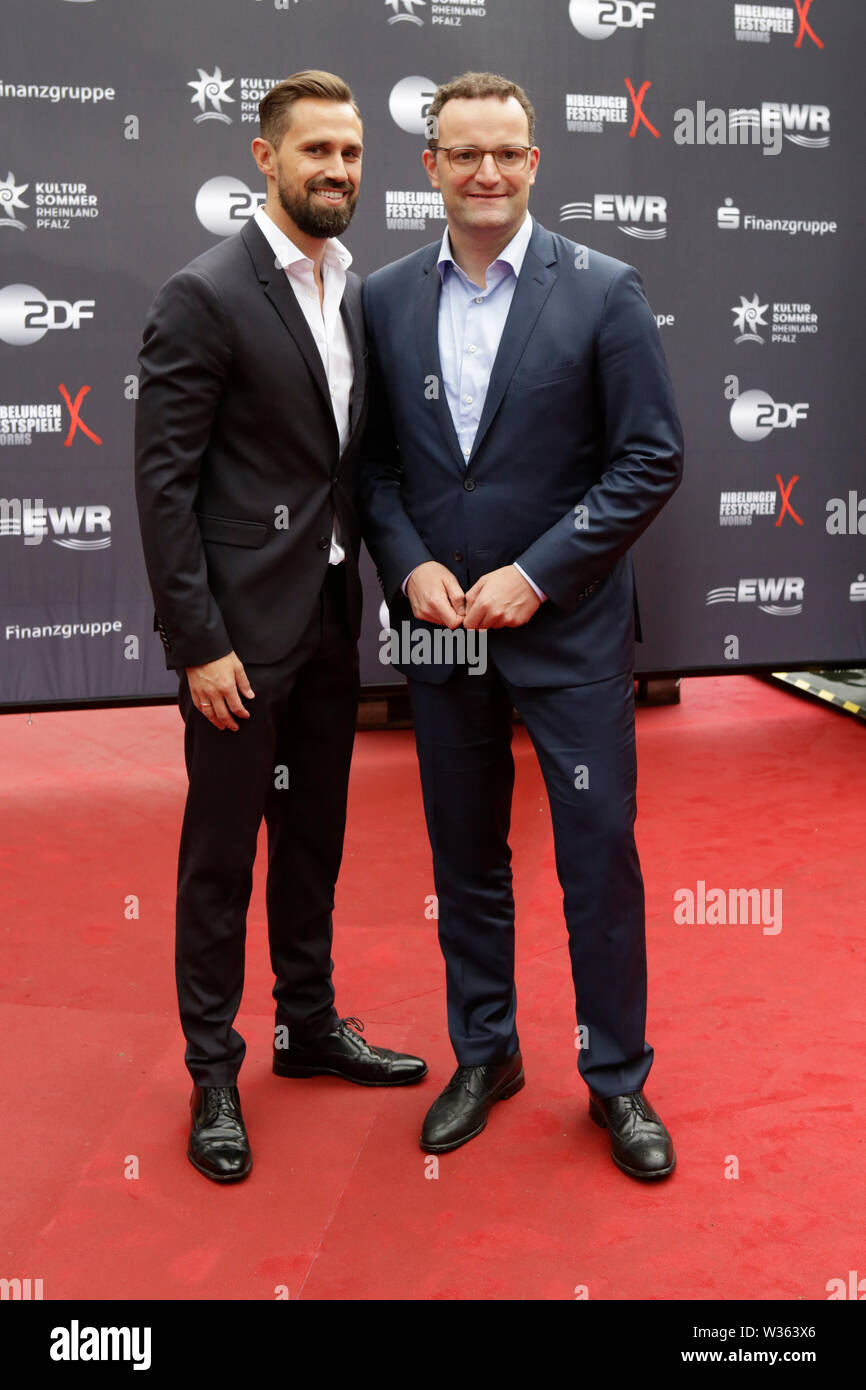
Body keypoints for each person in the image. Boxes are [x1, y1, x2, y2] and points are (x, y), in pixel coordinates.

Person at [361, 71, 683, 1178]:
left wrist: (535, 576)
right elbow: (375, 476)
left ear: (534, 163)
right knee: (462, 850)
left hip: (569, 629)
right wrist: (407, 571)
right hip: (441, 628)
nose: (486, 172)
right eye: (464, 154)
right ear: (431, 167)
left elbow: (652, 457)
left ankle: (616, 1081)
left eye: (506, 153)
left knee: (594, 858)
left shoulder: (602, 289)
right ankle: (483, 1052)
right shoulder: (385, 297)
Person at [134, 70, 427, 1185]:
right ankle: (213, 1069)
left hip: (327, 626)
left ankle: (308, 1025)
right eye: (315, 152)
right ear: (265, 158)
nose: (338, 171)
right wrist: (196, 640)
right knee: (220, 859)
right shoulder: (203, 294)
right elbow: (163, 487)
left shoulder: (353, 289)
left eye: (351, 154)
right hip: (235, 645)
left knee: (313, 842)